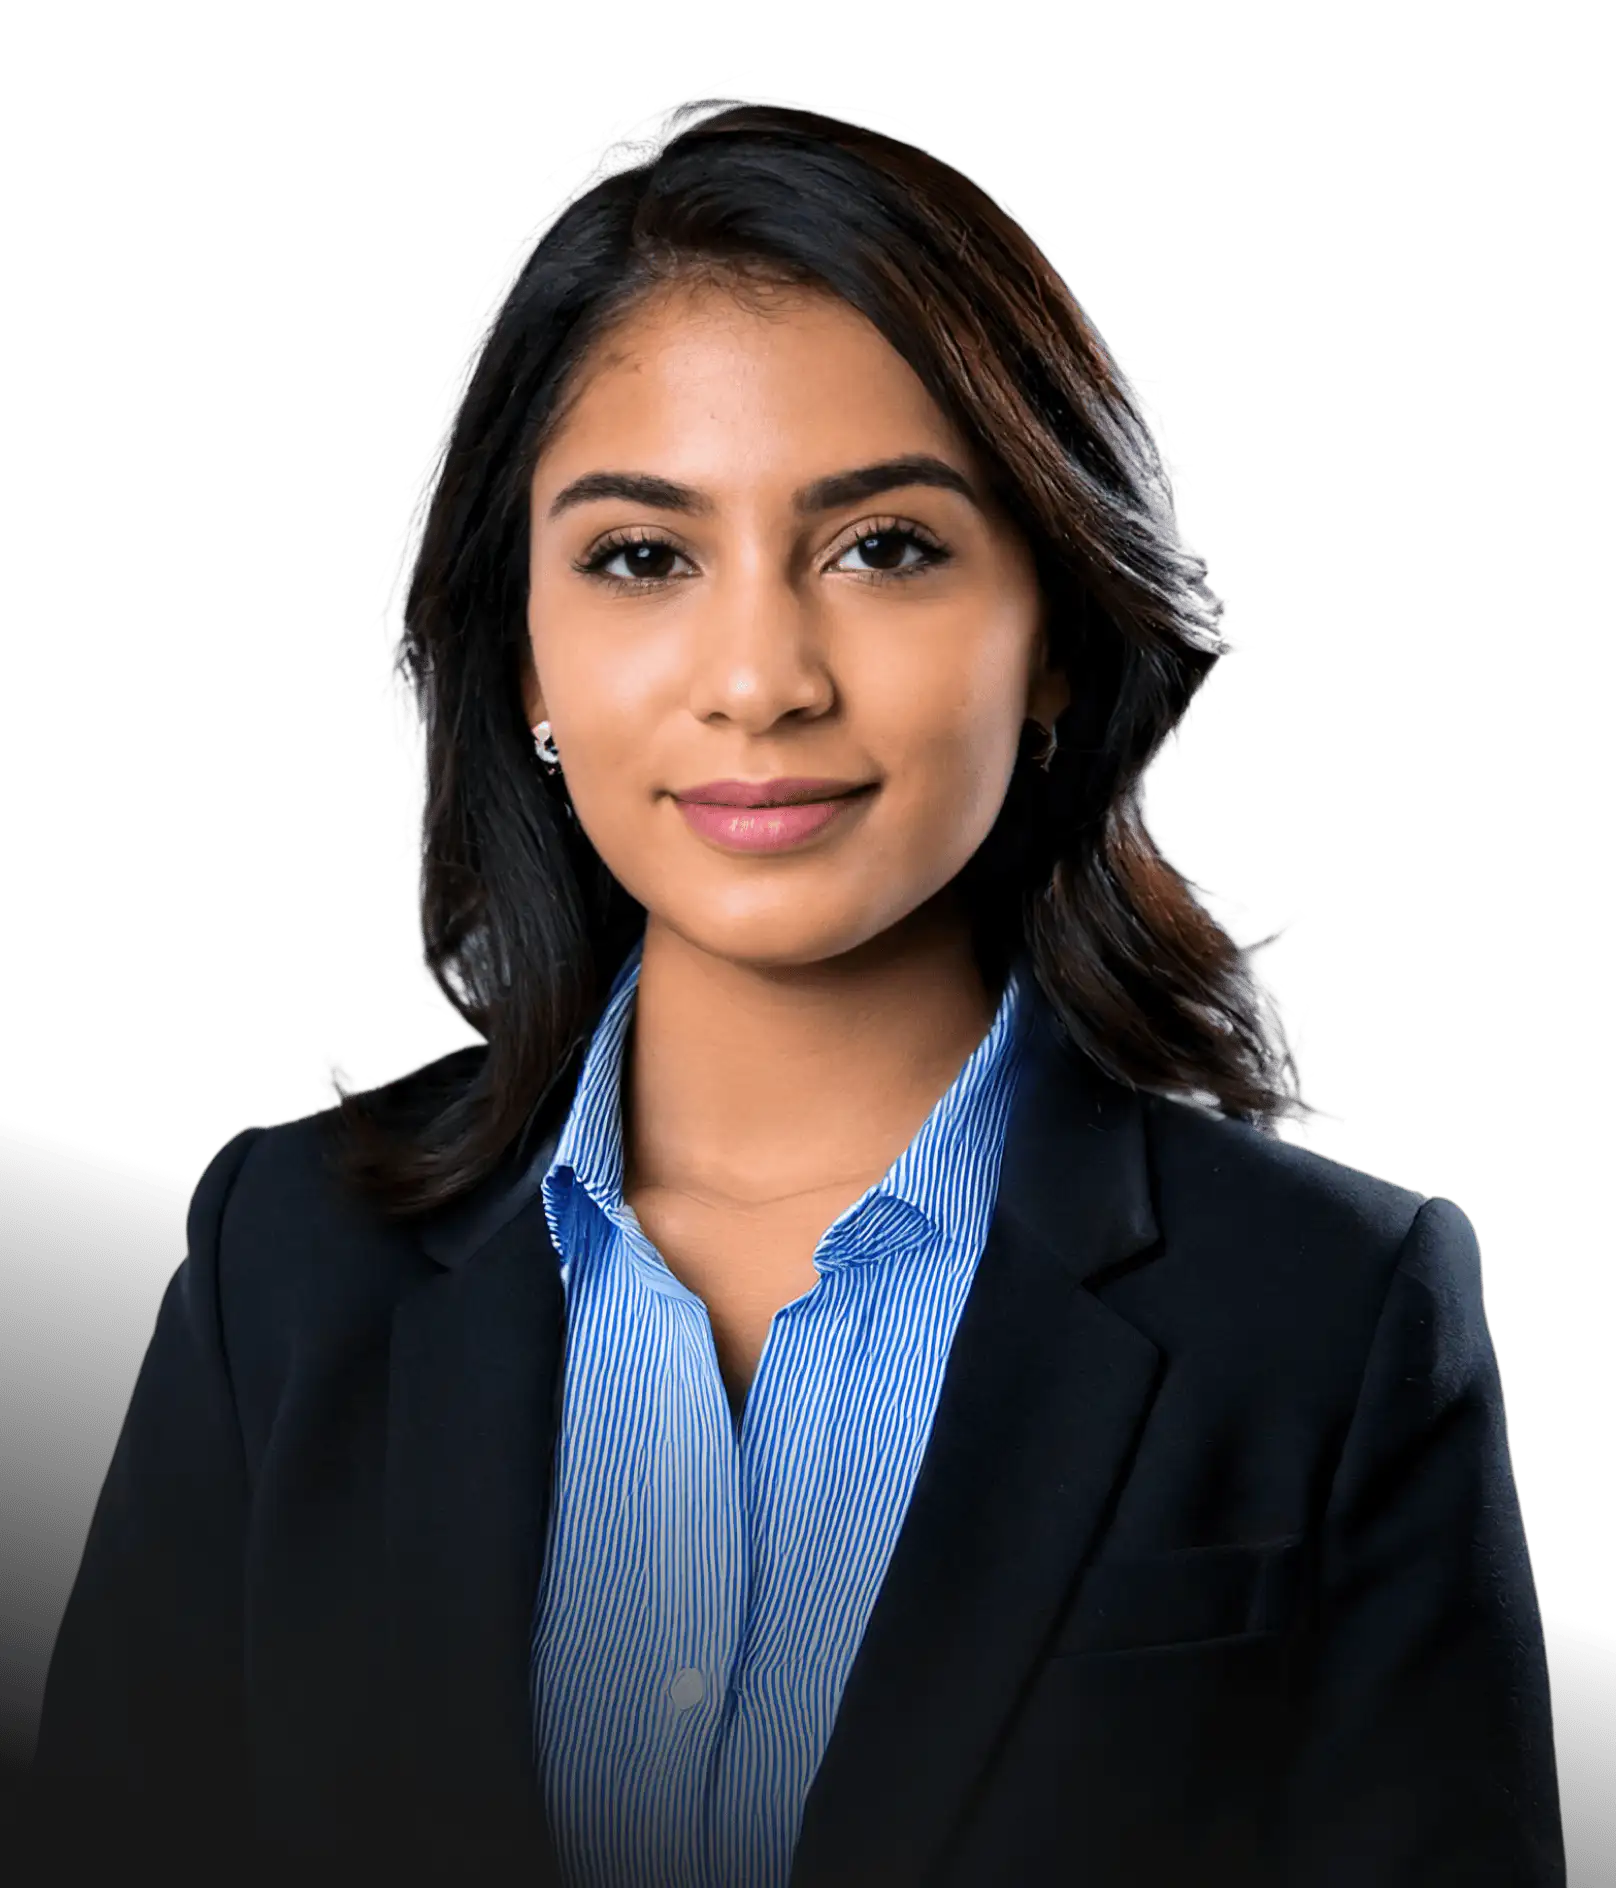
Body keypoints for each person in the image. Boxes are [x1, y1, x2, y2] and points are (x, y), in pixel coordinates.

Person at [37, 81, 1560, 1888]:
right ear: (522, 652)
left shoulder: (1332, 1318)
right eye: (642, 557)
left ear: (1055, 634)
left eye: (885, 548)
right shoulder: (288, 1260)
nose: (759, 679)